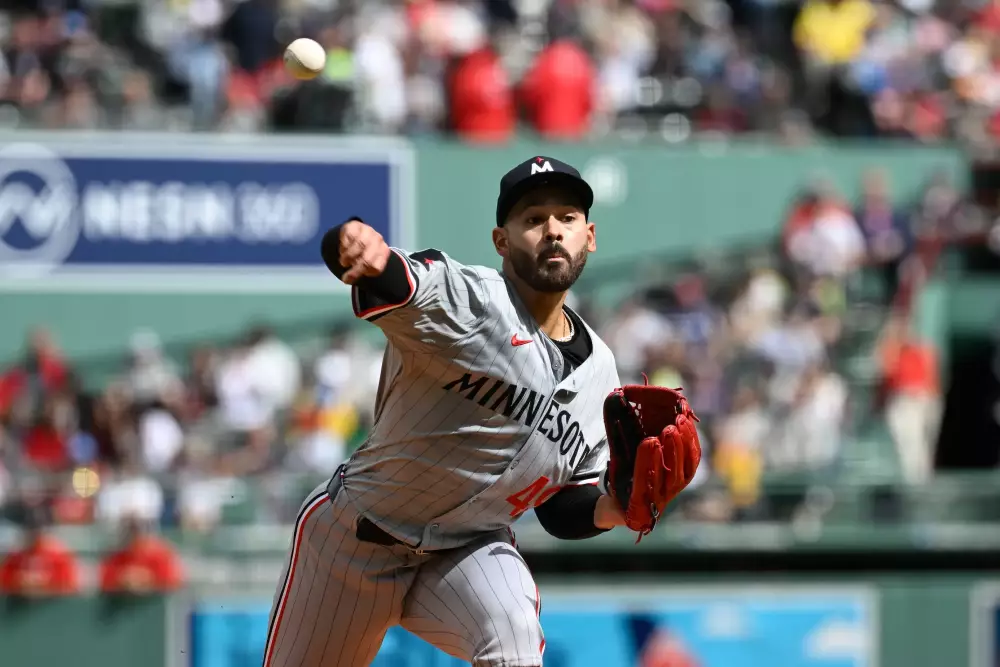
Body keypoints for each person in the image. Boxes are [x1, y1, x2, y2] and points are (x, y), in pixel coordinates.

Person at [263, 156, 631, 667]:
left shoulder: (602, 370)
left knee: (515, 639)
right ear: (501, 241)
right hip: (354, 541)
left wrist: (614, 507)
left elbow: (560, 504)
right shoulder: (472, 301)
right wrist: (352, 246)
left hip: (469, 550)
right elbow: (395, 280)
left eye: (567, 218)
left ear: (589, 237)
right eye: (532, 219)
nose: (552, 230)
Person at [98, 517, 185, 595]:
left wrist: (149, 580)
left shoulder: (161, 554)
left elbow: (174, 582)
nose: (133, 538)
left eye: (137, 532)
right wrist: (121, 579)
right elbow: (104, 582)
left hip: (155, 604)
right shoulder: (116, 555)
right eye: (129, 533)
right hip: (121, 605)